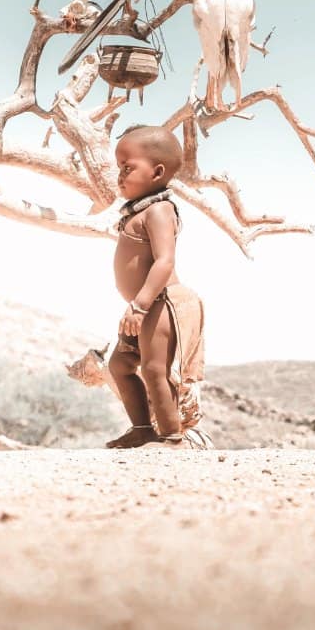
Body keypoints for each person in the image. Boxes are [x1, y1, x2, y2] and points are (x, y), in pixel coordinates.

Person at [104, 125, 211, 450]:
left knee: (154, 370)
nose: (120, 175)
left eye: (128, 167)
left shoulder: (160, 210)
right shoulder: (138, 210)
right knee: (120, 365)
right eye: (119, 168)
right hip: (145, 304)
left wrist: (140, 306)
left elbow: (164, 261)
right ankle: (142, 429)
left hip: (161, 302)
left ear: (158, 172)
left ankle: (171, 436)